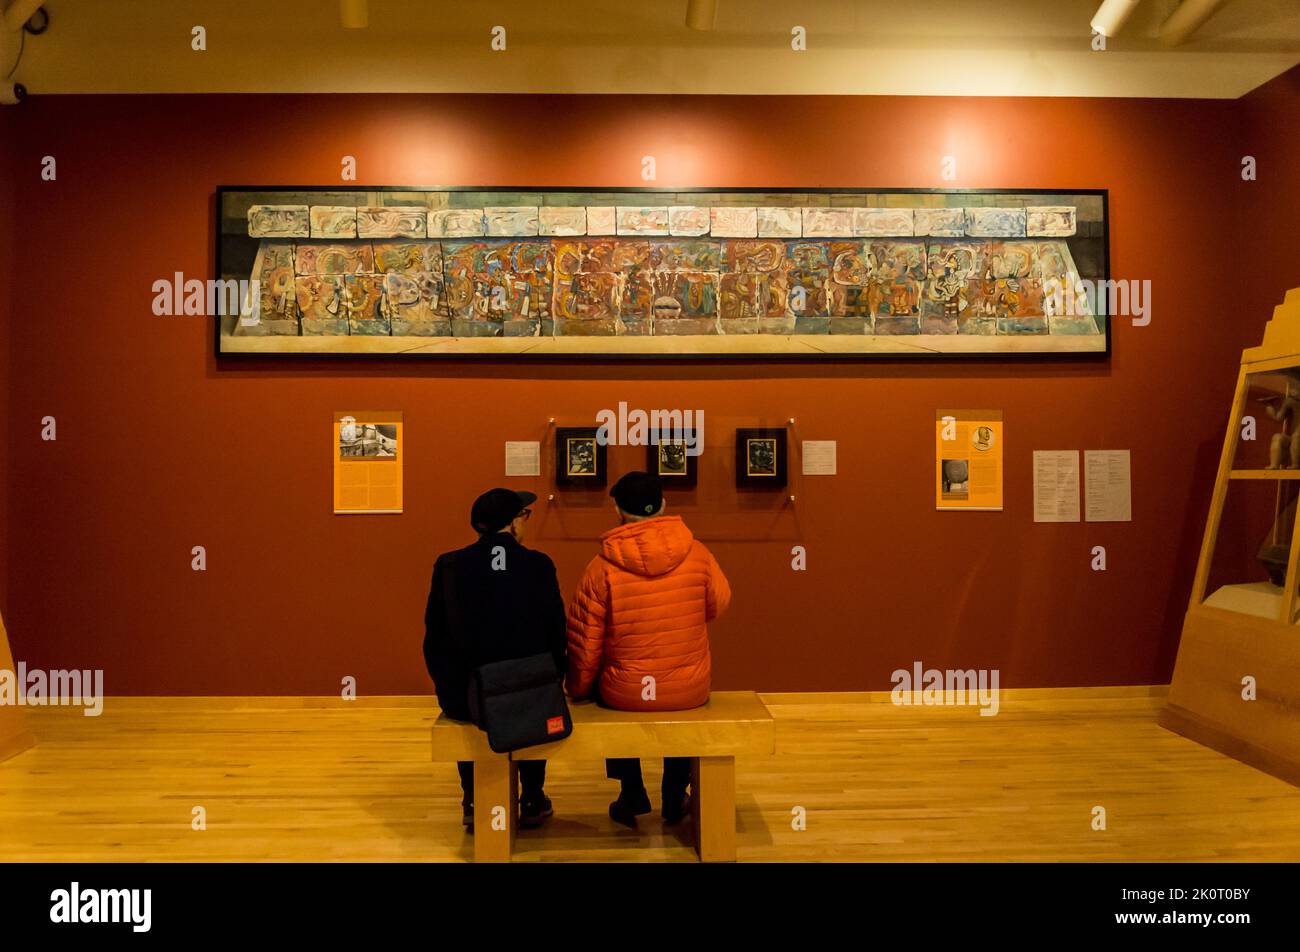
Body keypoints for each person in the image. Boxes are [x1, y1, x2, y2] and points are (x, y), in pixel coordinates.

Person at [565, 471, 731, 825]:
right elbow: (718, 604)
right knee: (681, 706)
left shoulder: (601, 568)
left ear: (617, 509)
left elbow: (585, 641)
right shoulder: (698, 553)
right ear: (664, 505)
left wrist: (578, 688)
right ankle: (674, 794)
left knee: (604, 689)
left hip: (626, 692)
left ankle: (631, 789)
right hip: (689, 688)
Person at [423, 488, 566, 830]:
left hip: (467, 694)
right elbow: (556, 631)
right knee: (533, 695)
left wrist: (449, 687)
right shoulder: (538, 565)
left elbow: (434, 637)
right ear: (515, 522)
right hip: (527, 691)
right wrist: (557, 677)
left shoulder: (449, 566)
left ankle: (474, 799)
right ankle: (532, 795)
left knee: (476, 710)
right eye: (524, 514)